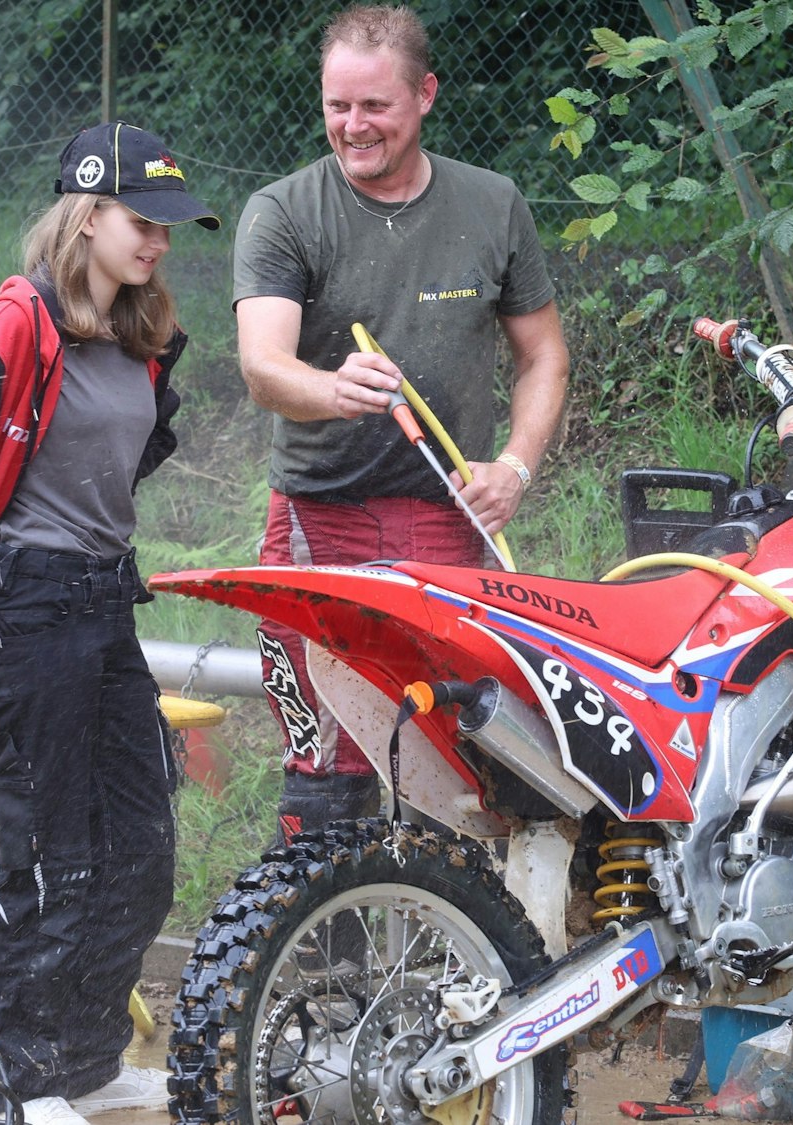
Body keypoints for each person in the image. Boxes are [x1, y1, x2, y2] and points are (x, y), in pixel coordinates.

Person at [0, 122, 218, 1125]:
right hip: (26, 613)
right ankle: (21, 1083)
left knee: (140, 846)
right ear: (87, 215)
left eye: (170, 225)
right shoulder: (18, 323)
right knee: (51, 851)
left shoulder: (134, 336)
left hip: (105, 605)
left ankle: (87, 1063)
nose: (157, 240)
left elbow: (109, 461)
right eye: (140, 221)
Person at [232, 4, 570, 841]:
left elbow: (545, 357)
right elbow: (263, 366)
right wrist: (332, 385)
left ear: (425, 95)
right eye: (337, 106)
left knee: (455, 746)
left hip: (446, 515)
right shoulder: (283, 211)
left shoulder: (492, 205)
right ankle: (321, 960)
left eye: (374, 106)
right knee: (328, 758)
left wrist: (516, 468)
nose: (353, 126)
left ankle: (461, 948)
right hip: (321, 517)